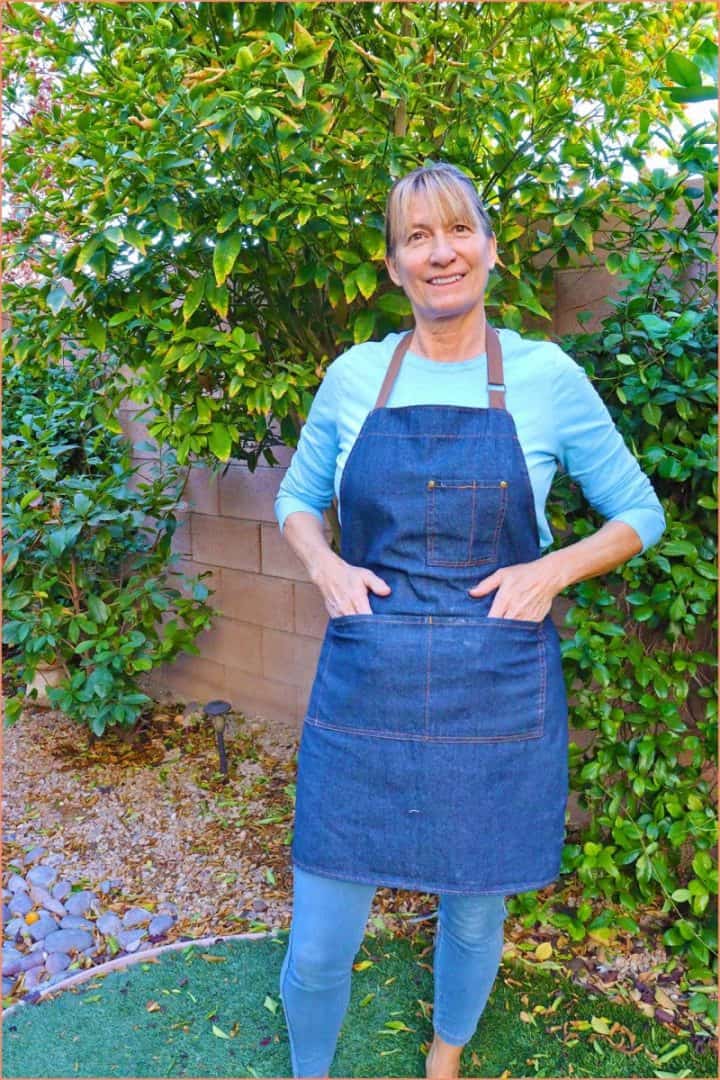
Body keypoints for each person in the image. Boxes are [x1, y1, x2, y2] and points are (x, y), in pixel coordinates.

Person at [273, 162, 665, 1078]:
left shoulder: (545, 376)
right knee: (323, 930)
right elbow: (296, 496)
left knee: (476, 906)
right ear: (394, 264)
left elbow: (638, 513)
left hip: (495, 684)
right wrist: (325, 565)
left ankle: (445, 1057)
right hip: (366, 676)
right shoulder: (355, 376)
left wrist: (553, 570)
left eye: (457, 231)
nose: (440, 252)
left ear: (489, 248)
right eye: (418, 237)